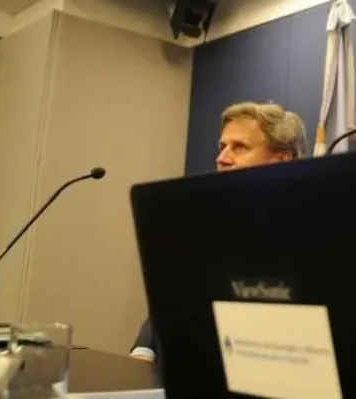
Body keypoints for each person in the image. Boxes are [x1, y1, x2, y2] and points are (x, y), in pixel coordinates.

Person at [129, 101, 307, 362]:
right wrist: (143, 353)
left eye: (240, 147)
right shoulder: (206, 226)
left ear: (281, 160)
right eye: (222, 146)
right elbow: (172, 302)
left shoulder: (308, 233)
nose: (222, 158)